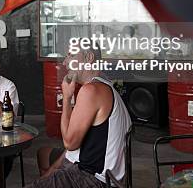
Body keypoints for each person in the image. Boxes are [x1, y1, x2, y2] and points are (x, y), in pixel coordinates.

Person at [29, 49, 132, 188]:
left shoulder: (91, 91)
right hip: (100, 170)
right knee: (44, 154)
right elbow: (73, 145)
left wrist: (66, 98)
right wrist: (52, 171)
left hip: (94, 179)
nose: (65, 62)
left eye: (70, 56)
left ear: (89, 57)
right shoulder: (102, 84)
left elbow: (70, 143)